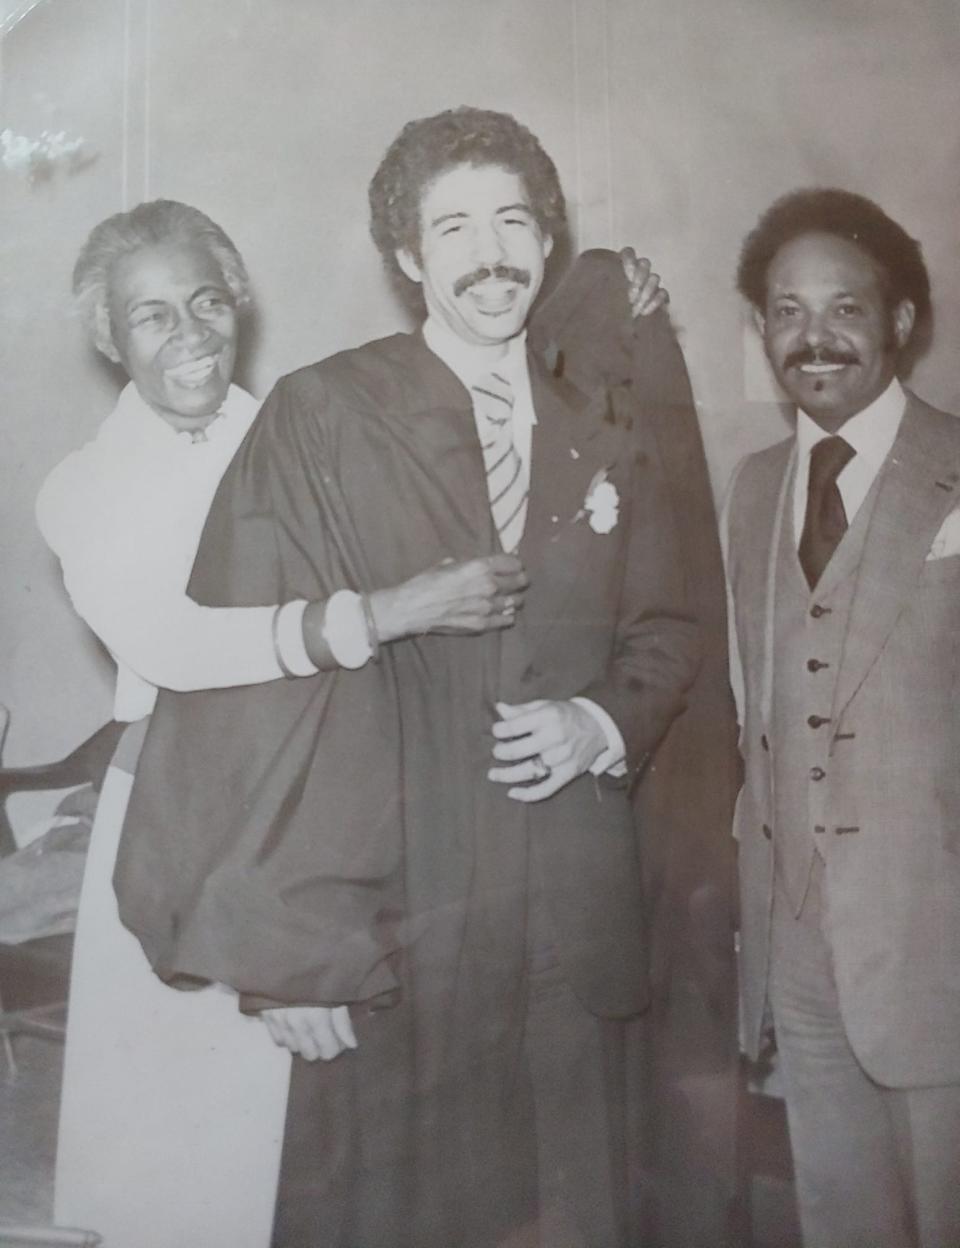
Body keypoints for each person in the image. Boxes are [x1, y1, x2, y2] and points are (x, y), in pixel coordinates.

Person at [116, 107, 701, 1247]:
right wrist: (293, 959)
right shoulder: (323, 415)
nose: (491, 256)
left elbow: (670, 626)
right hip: (398, 924)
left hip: (574, 923)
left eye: (514, 222)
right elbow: (249, 694)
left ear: (549, 235)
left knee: (580, 1212)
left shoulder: (610, 418)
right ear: (406, 258)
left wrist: (597, 719)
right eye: (454, 229)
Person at [726, 187, 960, 1247]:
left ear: (901, 320)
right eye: (785, 311)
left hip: (939, 944)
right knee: (841, 1222)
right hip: (802, 949)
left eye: (845, 308)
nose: (812, 338)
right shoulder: (753, 486)